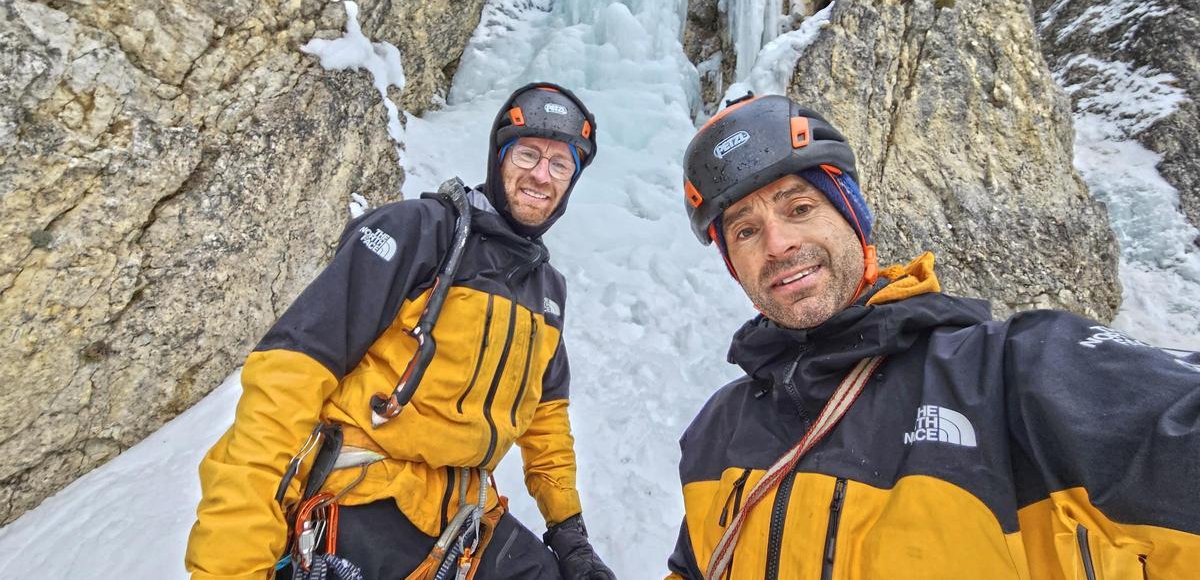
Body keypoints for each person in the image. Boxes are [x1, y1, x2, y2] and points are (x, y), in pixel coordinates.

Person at [665, 93, 1200, 579]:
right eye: (745, 230)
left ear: (852, 217)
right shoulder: (716, 433)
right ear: (734, 263)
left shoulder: (1015, 375)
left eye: (799, 208)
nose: (777, 244)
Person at [185, 82, 616, 580]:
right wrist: (231, 567)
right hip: (358, 496)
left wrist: (569, 534)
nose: (541, 175)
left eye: (561, 164)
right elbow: (286, 383)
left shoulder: (547, 293)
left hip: (461, 515)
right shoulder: (419, 232)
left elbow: (546, 422)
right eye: (527, 154)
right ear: (498, 158)